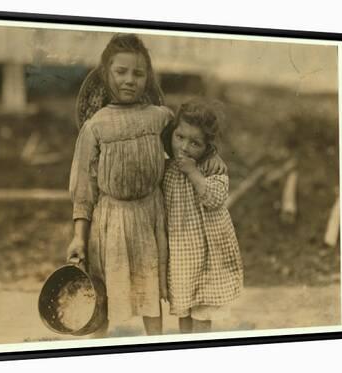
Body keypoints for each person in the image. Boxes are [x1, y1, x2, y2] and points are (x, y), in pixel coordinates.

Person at [67, 34, 225, 337]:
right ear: (106, 74)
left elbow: (189, 141)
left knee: (151, 293)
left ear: (148, 77)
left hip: (151, 216)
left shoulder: (161, 118)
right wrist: (78, 237)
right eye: (121, 72)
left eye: (138, 73)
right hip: (111, 221)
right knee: (102, 294)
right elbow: (84, 189)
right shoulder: (95, 127)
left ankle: (156, 345)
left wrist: (213, 156)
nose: (130, 80)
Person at [161, 98, 244, 334]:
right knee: (184, 307)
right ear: (172, 134)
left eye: (195, 143)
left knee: (202, 311)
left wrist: (194, 172)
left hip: (208, 253)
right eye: (180, 137)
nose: (185, 147)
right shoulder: (166, 169)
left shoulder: (211, 170)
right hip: (181, 253)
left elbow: (215, 199)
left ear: (208, 147)